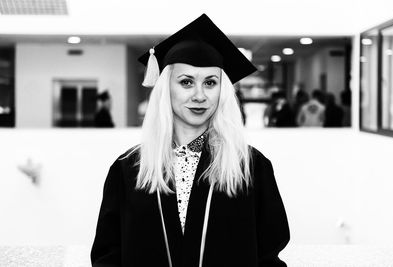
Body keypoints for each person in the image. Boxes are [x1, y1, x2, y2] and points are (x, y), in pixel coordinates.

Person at [91, 14, 290, 267]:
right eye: (186, 82)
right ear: (166, 89)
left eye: (210, 82)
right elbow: (108, 256)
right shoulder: (130, 168)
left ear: (222, 91)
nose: (199, 95)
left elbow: (269, 256)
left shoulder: (250, 166)